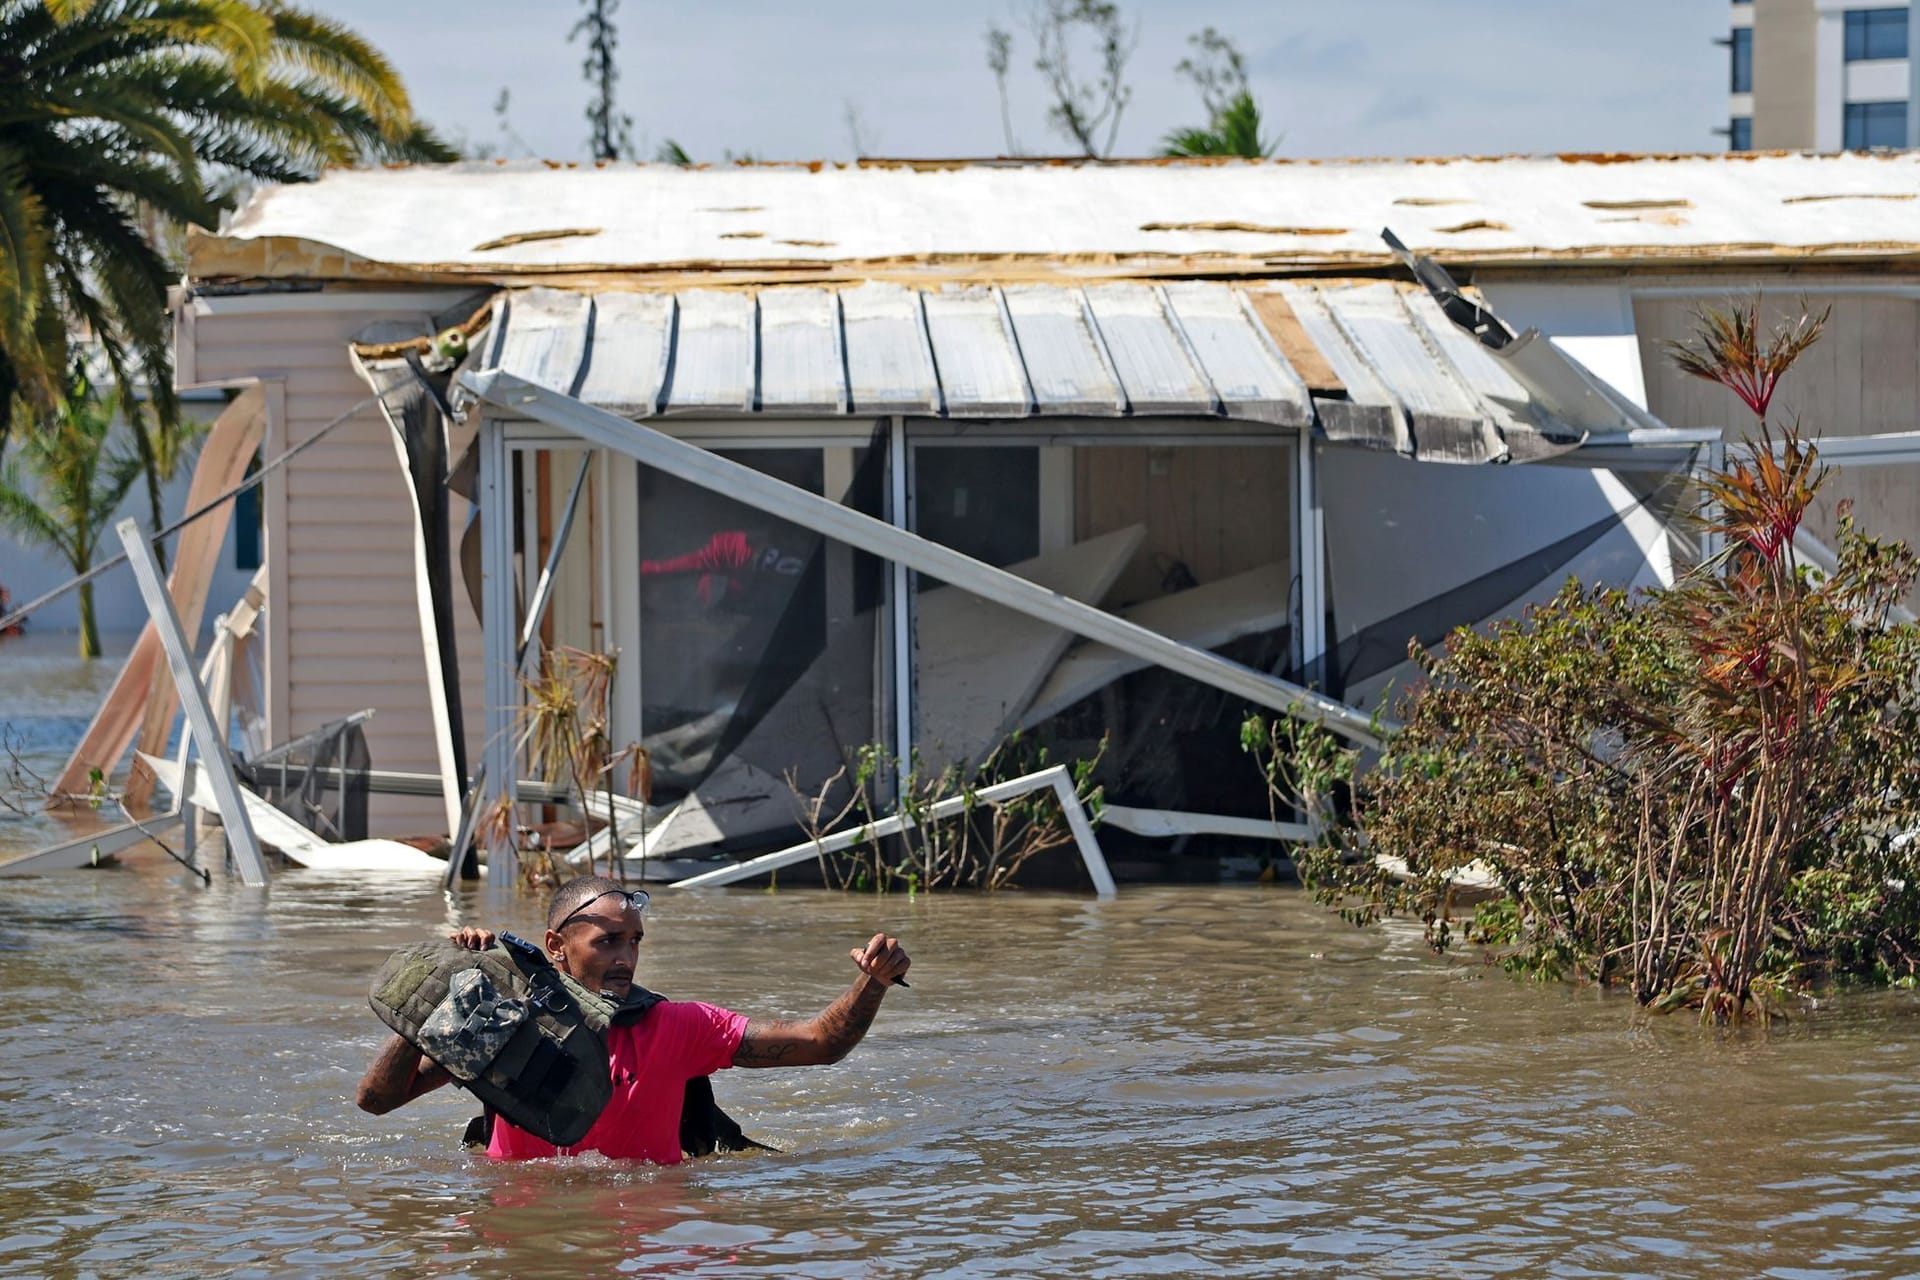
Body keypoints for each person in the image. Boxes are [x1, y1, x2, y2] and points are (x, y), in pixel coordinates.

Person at [356, 874, 910, 1163]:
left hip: (641, 1221)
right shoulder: (500, 1022)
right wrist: (442, 996)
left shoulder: (680, 1026)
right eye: (608, 941)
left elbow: (820, 1043)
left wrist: (871, 983)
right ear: (555, 945)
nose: (626, 956)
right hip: (518, 1225)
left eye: (635, 942)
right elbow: (377, 1101)